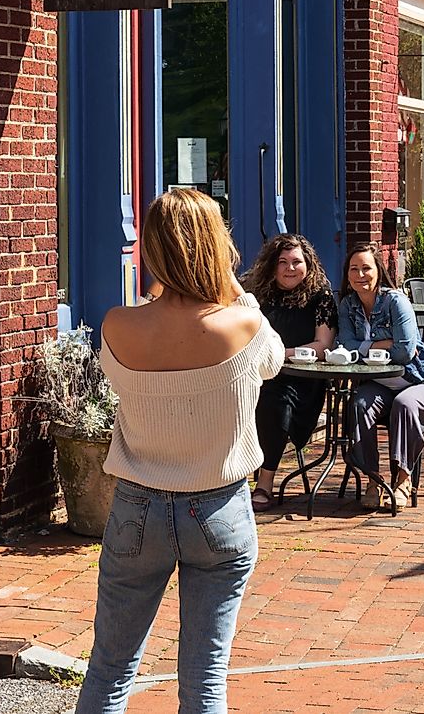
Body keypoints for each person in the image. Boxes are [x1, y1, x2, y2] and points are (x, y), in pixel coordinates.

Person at [75, 188, 285, 714]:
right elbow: (274, 361)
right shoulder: (245, 324)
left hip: (136, 507)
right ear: (215, 247)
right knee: (205, 675)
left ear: (151, 249)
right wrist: (232, 287)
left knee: (110, 668)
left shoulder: (119, 325)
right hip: (219, 507)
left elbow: (117, 373)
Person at [336, 241, 424, 511]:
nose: (360, 275)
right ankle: (374, 480)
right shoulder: (348, 305)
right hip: (380, 384)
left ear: (378, 271)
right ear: (347, 274)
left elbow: (405, 352)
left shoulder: (395, 301)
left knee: (405, 404)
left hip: (421, 382)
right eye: (354, 269)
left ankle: (403, 481)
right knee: (359, 404)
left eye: (366, 268)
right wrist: (384, 344)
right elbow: (345, 344)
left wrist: (365, 347)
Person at [240, 233, 338, 512]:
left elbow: (323, 345)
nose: (289, 268)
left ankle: (264, 483)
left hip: (300, 379)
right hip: (257, 374)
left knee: (276, 404)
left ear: (309, 264)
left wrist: (280, 354)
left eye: (296, 261)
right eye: (282, 262)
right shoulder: (258, 294)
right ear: (272, 265)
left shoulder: (321, 298)